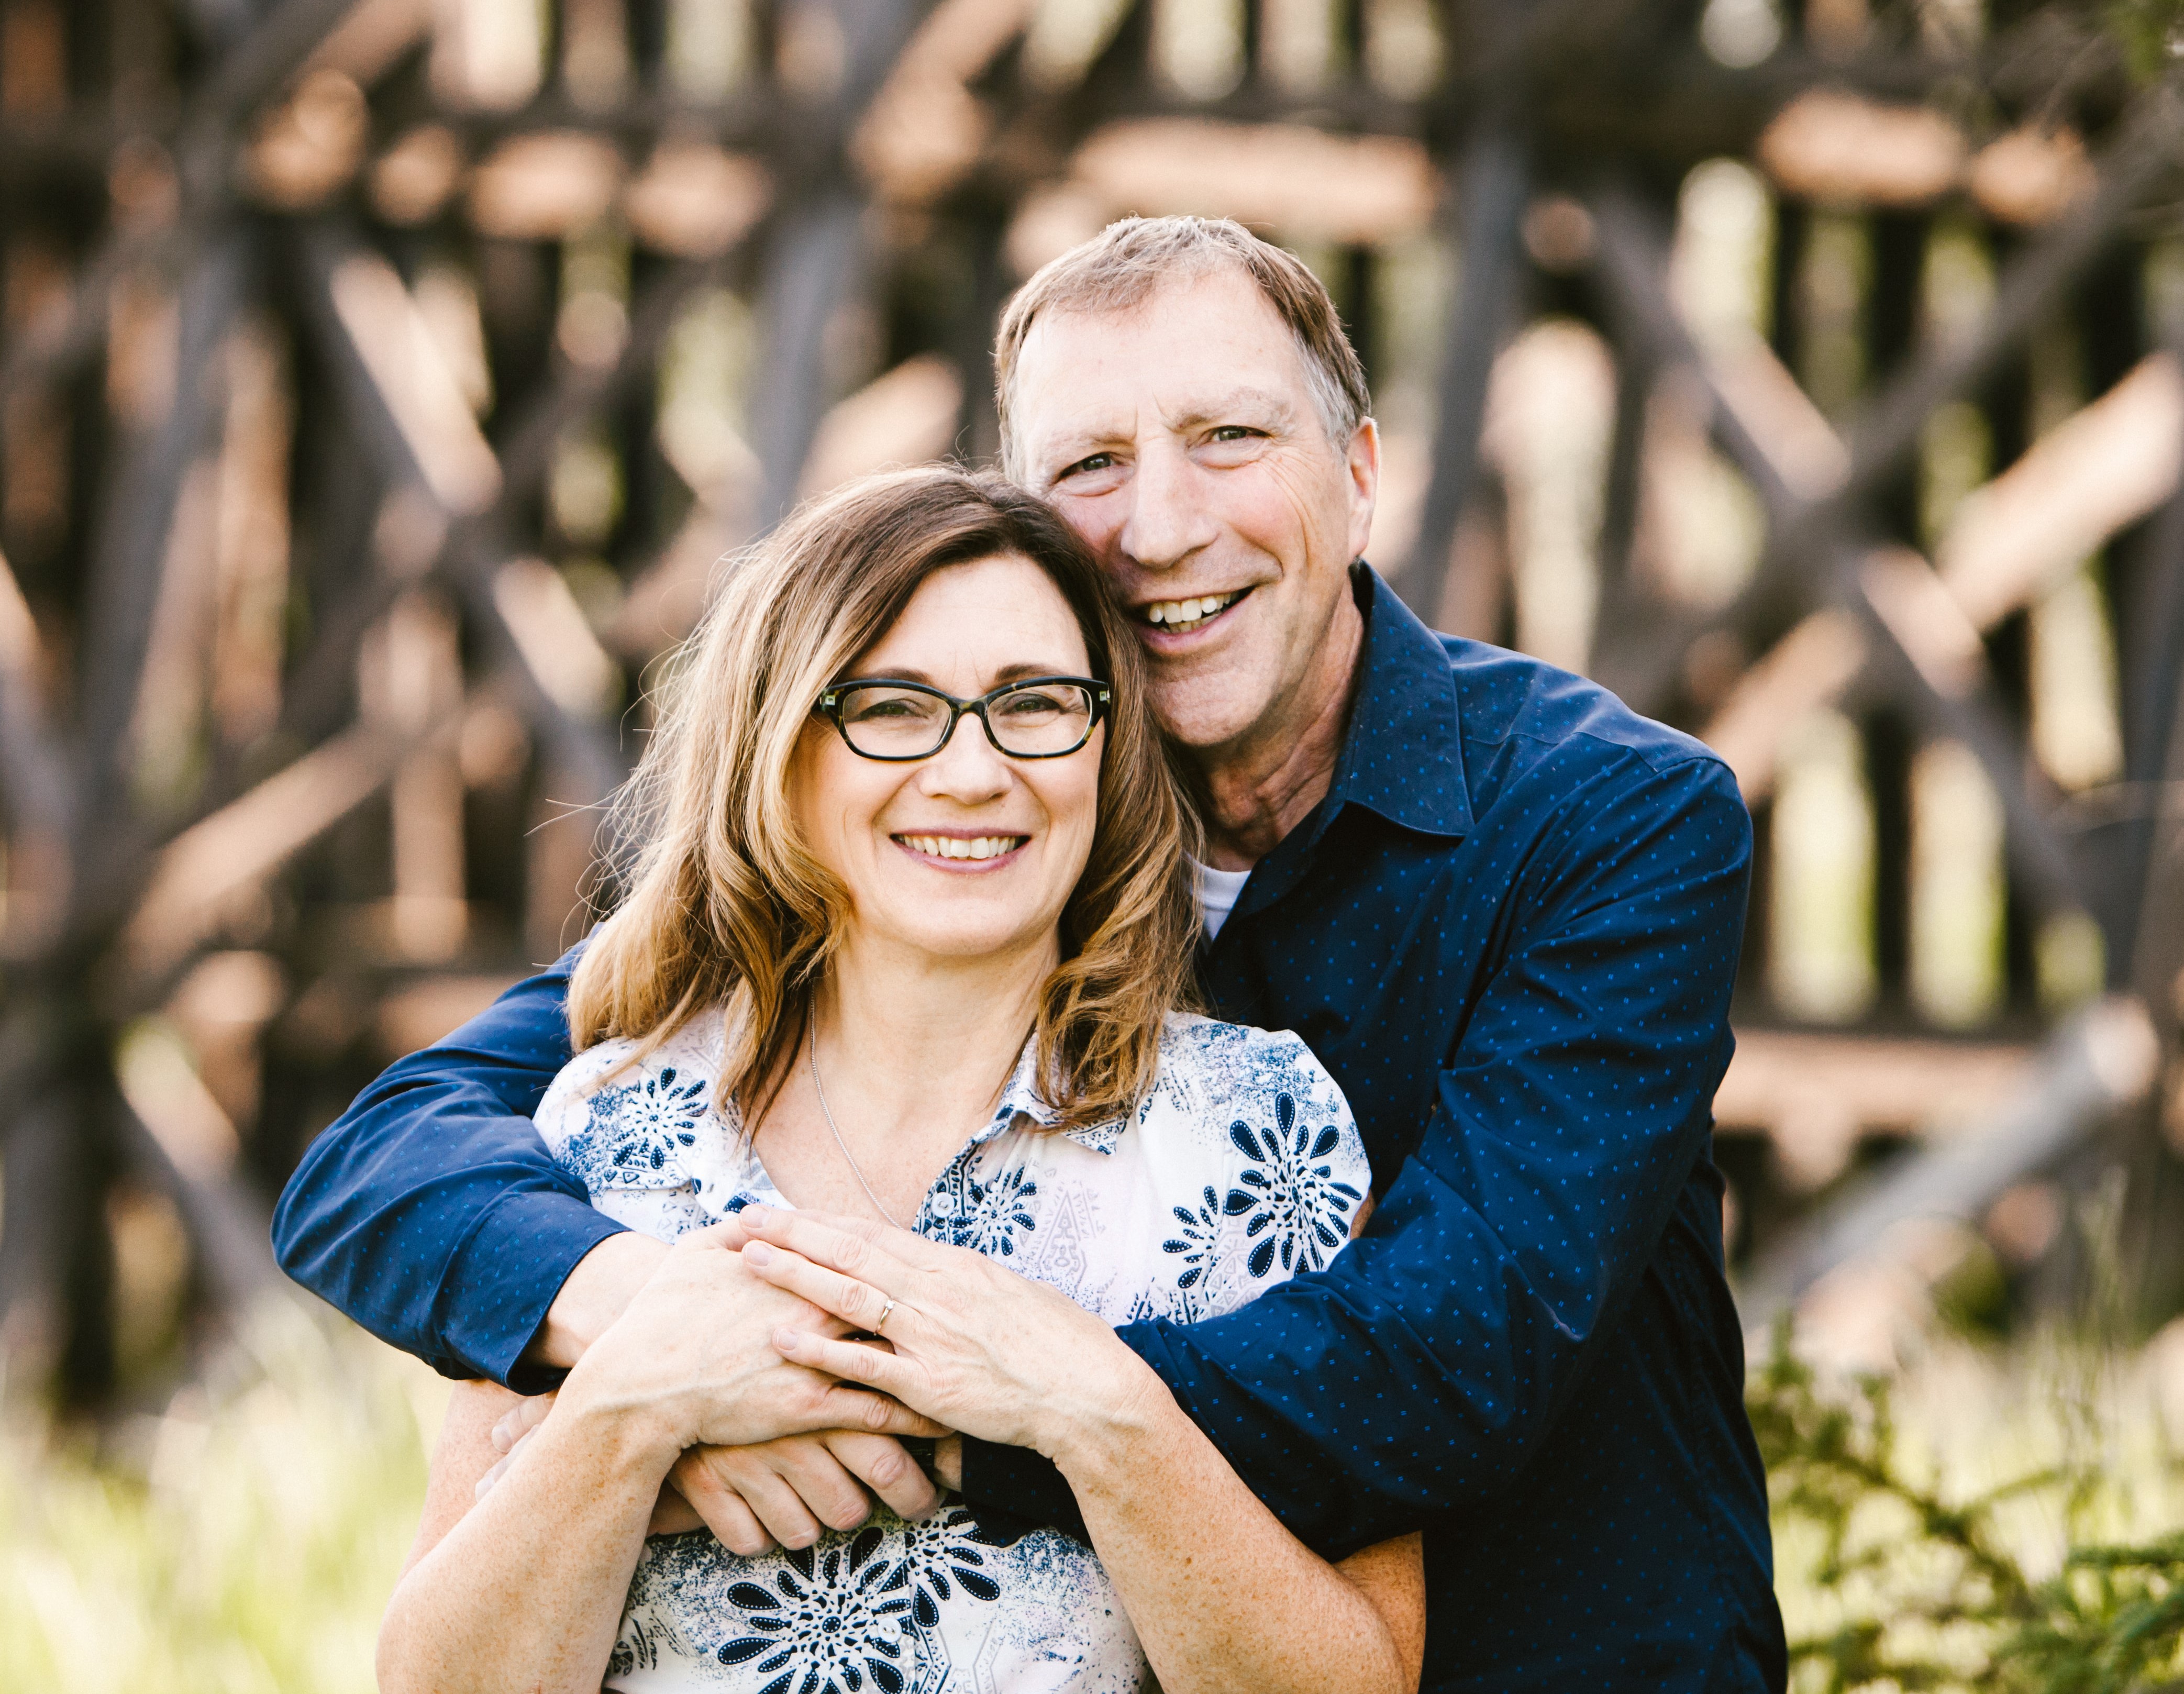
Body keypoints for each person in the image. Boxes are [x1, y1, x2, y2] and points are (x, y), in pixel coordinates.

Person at [276, 215, 1787, 1690]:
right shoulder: (954, 848)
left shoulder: (1611, 820)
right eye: (1090, 465)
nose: (1161, 523)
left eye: (1229, 438)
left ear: (1362, 473)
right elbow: (392, 1154)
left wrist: (870, 1405)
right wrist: (638, 1325)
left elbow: (1445, 1360)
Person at [372, 469, 1425, 1693]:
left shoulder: (1256, 1138)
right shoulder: (611, 1128)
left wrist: (1100, 1415)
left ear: (1106, 744)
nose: (974, 772)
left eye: (1034, 704)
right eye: (894, 706)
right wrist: (631, 1408)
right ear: (786, 744)